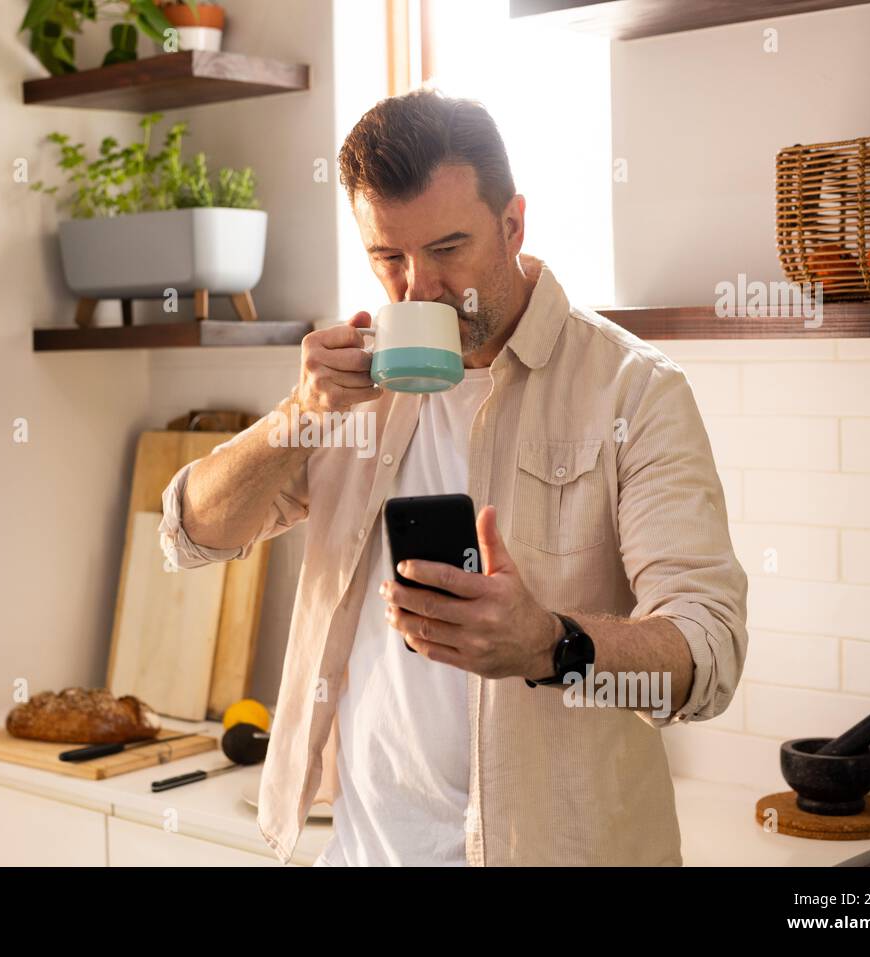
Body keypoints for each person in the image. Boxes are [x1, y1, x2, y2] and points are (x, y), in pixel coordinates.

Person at [159, 88, 747, 866]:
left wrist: (552, 645)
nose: (418, 288)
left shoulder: (634, 390)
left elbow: (709, 658)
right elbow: (189, 534)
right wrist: (298, 414)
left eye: (447, 249)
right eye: (388, 258)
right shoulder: (348, 387)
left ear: (513, 225)